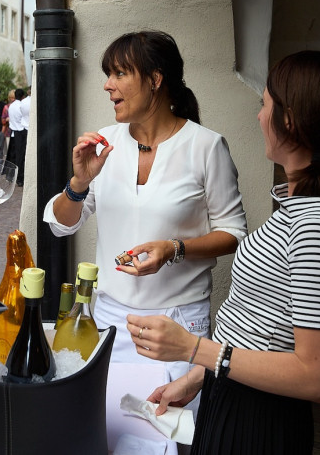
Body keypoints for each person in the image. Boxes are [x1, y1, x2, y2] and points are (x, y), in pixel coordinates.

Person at [129, 50, 320, 453]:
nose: (259, 117)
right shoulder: (306, 208)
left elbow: (315, 376)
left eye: (266, 105)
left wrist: (194, 348)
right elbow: (264, 326)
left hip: (259, 418)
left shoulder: (319, 224)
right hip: (240, 395)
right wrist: (198, 376)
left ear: (291, 119)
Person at [43, 31, 248, 384]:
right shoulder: (105, 145)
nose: (108, 86)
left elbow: (234, 234)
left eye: (119, 74)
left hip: (177, 323)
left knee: (172, 428)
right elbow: (61, 225)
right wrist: (78, 184)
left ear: (155, 80)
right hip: (108, 320)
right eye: (109, 75)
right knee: (107, 427)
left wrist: (174, 249)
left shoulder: (206, 147)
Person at [7, 88, 26, 185]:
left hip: (13, 132)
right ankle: (20, 178)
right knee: (21, 156)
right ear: (22, 96)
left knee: (12, 156)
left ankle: (11, 176)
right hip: (21, 132)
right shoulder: (21, 105)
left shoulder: (11, 106)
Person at [2, 89, 14, 159]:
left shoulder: (19, 106)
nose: (13, 99)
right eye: (12, 97)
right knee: (8, 152)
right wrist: (7, 119)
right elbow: (3, 120)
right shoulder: (6, 107)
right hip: (8, 132)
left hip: (17, 132)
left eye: (14, 97)